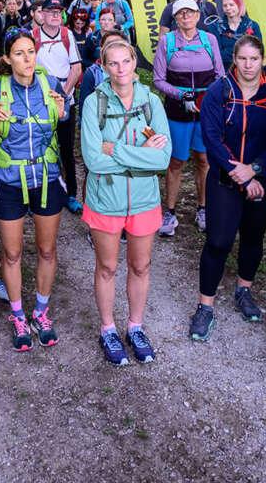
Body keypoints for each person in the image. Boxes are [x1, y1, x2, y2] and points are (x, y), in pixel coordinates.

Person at [79, 36, 171, 366]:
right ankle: (107, 329)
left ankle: (135, 326)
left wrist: (115, 150)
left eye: (126, 61)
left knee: (141, 265)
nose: (121, 69)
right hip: (106, 196)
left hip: (145, 199)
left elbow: (163, 159)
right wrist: (141, 155)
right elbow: (92, 161)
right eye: (113, 63)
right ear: (104, 67)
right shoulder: (94, 103)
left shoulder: (151, 102)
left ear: (135, 64)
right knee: (106, 266)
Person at [0, 30, 66, 351]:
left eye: (31, 51)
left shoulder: (51, 85)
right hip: (10, 181)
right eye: (20, 53)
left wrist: (64, 110)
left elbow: (65, 114)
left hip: (47, 177)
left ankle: (40, 311)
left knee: (47, 251)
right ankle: (17, 315)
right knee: (12, 253)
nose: (27, 59)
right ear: (8, 59)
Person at [188, 35, 266, 341]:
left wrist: (255, 170)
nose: (248, 65)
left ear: (263, 60)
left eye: (254, 59)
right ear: (234, 60)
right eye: (242, 59)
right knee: (218, 241)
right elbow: (212, 138)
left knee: (253, 238)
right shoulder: (220, 90)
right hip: (225, 178)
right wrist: (237, 172)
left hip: (262, 180)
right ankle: (205, 306)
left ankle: (244, 290)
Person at [151, 0, 225, 236]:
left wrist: (207, 100)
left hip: (206, 111)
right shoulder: (167, 41)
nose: (186, 17)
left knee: (203, 160)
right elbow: (158, 79)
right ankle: (170, 212)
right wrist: (182, 95)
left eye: (190, 12)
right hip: (177, 111)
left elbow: (220, 75)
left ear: (197, 16)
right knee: (176, 161)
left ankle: (203, 208)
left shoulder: (209, 39)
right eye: (181, 13)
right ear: (175, 18)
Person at [30, 0, 84, 213]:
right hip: (40, 102)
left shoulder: (67, 35)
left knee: (67, 148)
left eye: (58, 11)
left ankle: (71, 194)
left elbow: (77, 68)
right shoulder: (33, 37)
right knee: (39, 147)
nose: (55, 15)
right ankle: (40, 192)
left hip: (65, 100)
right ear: (41, 14)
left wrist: (63, 94)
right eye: (50, 11)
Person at [203, 0, 261, 69]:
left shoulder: (253, 26)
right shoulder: (215, 27)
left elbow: (257, 52)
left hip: (249, 71)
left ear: (239, 5)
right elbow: (217, 55)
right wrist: (244, 54)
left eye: (231, 5)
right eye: (225, 5)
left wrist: (229, 51)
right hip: (226, 73)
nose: (228, 8)